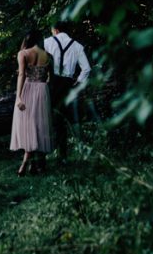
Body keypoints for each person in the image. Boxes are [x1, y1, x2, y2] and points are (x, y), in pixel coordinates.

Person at [9, 27, 54, 176]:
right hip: (42, 90)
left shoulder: (23, 53)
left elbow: (21, 74)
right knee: (40, 126)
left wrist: (19, 97)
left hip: (27, 89)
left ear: (27, 39)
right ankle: (34, 164)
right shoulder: (48, 56)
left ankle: (25, 164)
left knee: (28, 125)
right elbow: (50, 78)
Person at [44, 22, 91, 159]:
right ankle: (65, 154)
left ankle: (48, 151)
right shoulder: (77, 46)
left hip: (51, 82)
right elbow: (86, 68)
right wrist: (78, 82)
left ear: (56, 30)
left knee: (47, 117)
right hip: (67, 83)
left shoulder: (47, 42)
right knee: (65, 119)